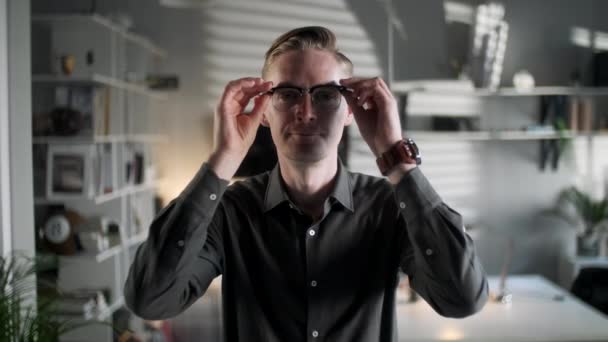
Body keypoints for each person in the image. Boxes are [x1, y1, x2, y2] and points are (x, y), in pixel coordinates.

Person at [124, 26, 488, 342]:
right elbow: (150, 299)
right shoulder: (232, 212)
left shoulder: (388, 208)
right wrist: (223, 160)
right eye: (287, 94)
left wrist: (397, 159)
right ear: (264, 110)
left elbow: (462, 297)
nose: (306, 111)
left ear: (350, 111)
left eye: (326, 95)